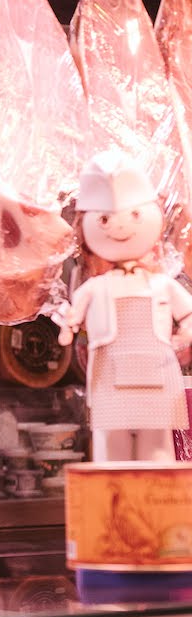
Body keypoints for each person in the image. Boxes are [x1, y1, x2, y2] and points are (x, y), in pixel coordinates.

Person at [55, 151, 192, 462]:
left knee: (157, 450)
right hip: (109, 375)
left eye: (134, 216)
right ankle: (112, 507)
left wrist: (186, 335)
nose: (118, 227)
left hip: (158, 375)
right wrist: (67, 323)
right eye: (104, 219)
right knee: (110, 452)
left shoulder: (161, 284)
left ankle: (158, 506)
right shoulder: (95, 287)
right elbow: (72, 320)